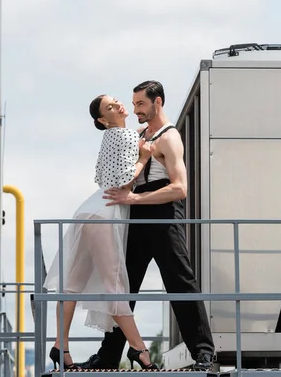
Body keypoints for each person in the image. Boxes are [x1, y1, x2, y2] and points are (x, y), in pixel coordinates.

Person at [76, 81, 215, 371]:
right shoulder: (137, 135)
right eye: (134, 103)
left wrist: (135, 197)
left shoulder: (169, 138)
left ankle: (203, 353)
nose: (136, 109)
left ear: (158, 103)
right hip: (135, 217)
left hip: (163, 216)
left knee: (180, 282)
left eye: (141, 104)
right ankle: (109, 354)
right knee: (123, 286)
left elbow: (180, 189)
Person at [42, 94, 159, 371]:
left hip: (88, 210)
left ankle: (61, 346)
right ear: (103, 120)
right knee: (115, 286)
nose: (119, 105)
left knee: (72, 285)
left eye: (116, 101)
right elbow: (123, 182)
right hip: (105, 213)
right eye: (110, 107)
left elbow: (100, 176)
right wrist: (143, 158)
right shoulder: (128, 135)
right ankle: (139, 349)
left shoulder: (109, 138)